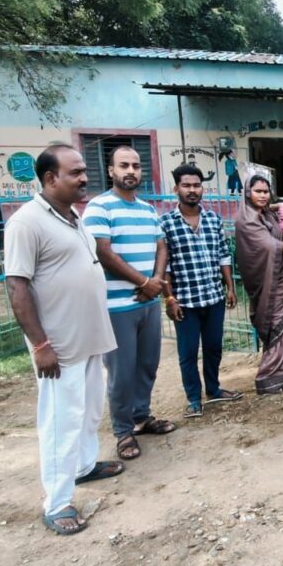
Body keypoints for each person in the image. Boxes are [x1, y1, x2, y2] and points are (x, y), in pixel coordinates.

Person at [4, 144, 120, 536]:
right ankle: (56, 503)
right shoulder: (26, 223)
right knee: (60, 421)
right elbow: (17, 287)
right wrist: (40, 345)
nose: (85, 178)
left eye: (84, 171)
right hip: (58, 346)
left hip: (88, 338)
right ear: (50, 178)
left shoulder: (74, 217)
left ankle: (84, 466)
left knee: (88, 412)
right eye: (76, 173)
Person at [84, 146, 175, 462]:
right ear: (111, 170)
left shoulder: (148, 210)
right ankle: (123, 431)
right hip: (117, 306)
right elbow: (103, 252)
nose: (131, 171)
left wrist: (157, 281)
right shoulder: (99, 207)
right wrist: (144, 282)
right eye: (124, 165)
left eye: (136, 165)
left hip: (147, 303)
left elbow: (161, 246)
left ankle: (141, 417)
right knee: (121, 372)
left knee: (147, 364)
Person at [158, 164, 243, 419]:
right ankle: (193, 399)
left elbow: (223, 255)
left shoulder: (213, 219)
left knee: (214, 347)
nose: (192, 190)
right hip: (185, 301)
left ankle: (214, 389)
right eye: (186, 185)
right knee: (188, 352)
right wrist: (169, 299)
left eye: (196, 185)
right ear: (176, 188)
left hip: (213, 296)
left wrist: (230, 287)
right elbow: (165, 266)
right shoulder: (166, 223)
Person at [234, 175, 283, 393]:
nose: (262, 195)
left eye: (266, 191)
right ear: (247, 192)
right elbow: (269, 246)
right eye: (257, 191)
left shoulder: (268, 214)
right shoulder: (247, 219)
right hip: (268, 282)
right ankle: (270, 376)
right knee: (276, 323)